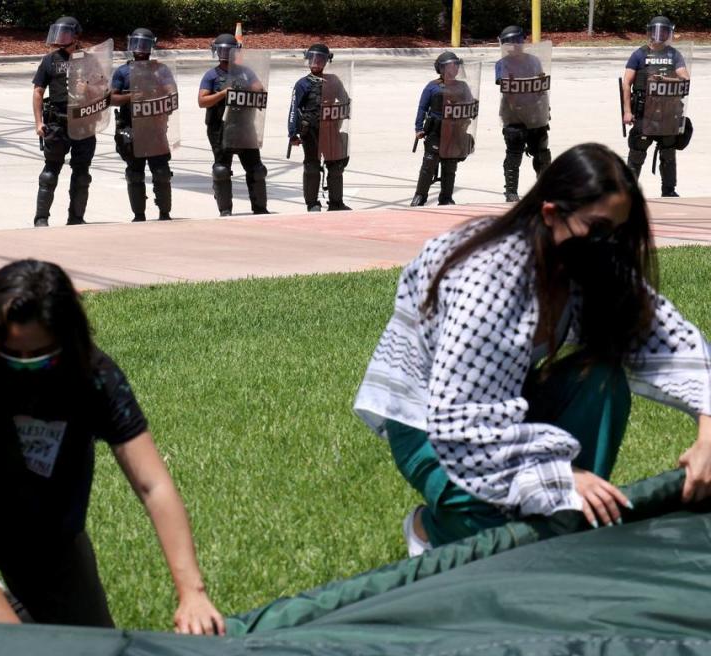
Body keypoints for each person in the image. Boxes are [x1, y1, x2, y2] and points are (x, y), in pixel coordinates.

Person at [354, 143, 711, 556]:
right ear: (550, 214)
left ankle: (568, 523)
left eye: (618, 231)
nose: (608, 243)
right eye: (597, 228)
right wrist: (560, 477)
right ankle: (431, 530)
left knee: (600, 377)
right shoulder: (489, 278)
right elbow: (462, 422)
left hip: (504, 406)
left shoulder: (589, 263)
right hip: (431, 424)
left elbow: (676, 345)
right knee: (501, 534)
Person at [0, 259, 225, 633]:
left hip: (39, 521)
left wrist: (193, 592)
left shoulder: (93, 376)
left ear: (68, 340)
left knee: (91, 647)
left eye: (41, 356)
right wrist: (19, 643)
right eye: (10, 355)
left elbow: (152, 485)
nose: (24, 367)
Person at [32, 17, 105, 226]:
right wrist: (38, 123)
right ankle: (41, 219)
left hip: (83, 122)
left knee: (82, 175)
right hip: (57, 124)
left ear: (75, 36)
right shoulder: (50, 60)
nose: (60, 38)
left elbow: (103, 90)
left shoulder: (89, 60)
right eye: (58, 34)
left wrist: (88, 89)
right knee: (49, 173)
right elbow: (38, 92)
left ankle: (76, 218)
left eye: (65, 34)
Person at [198, 33, 269, 216]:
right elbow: (202, 101)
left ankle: (260, 208)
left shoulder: (245, 71)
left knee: (257, 169)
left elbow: (259, 90)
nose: (224, 54)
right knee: (222, 170)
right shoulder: (211, 75)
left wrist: (245, 86)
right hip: (220, 129)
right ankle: (225, 210)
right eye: (221, 50)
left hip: (245, 126)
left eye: (228, 50)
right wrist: (223, 93)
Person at [622, 15, 691, 197]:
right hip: (644, 113)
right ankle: (629, 193)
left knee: (668, 153)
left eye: (664, 31)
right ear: (649, 32)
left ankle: (669, 191)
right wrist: (627, 112)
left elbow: (685, 79)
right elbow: (626, 83)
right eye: (656, 31)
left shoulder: (673, 55)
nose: (660, 35)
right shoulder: (639, 54)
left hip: (668, 114)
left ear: (669, 33)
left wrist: (664, 79)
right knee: (637, 152)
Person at [111, 28, 174, 222]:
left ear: (151, 46)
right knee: (135, 174)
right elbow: (112, 98)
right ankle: (139, 215)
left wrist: (158, 96)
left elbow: (172, 95)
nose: (139, 49)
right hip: (131, 128)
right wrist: (131, 96)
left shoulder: (160, 70)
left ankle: (164, 213)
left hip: (155, 128)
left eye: (144, 44)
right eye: (136, 44)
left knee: (161, 173)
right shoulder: (122, 71)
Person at [287, 43, 352, 212]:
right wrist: (293, 133)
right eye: (312, 59)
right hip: (311, 132)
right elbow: (294, 109)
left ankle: (336, 202)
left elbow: (345, 101)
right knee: (312, 166)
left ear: (326, 61)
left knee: (336, 165)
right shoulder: (302, 84)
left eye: (320, 59)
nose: (315, 62)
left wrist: (337, 113)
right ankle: (312, 203)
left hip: (330, 130)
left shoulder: (334, 80)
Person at [495, 25, 551, 203]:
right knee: (514, 155)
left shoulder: (534, 61)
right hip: (513, 117)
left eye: (517, 42)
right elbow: (506, 87)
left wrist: (545, 108)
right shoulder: (502, 64)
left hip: (535, 114)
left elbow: (541, 85)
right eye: (509, 43)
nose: (514, 46)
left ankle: (544, 188)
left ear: (522, 42)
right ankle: (511, 192)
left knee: (542, 154)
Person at [411, 52, 475, 206]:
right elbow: (422, 108)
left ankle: (446, 197)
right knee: (429, 164)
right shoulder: (432, 86)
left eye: (456, 65)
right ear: (442, 68)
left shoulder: (462, 86)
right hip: (436, 131)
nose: (455, 68)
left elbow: (471, 106)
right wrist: (418, 127)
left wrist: (467, 120)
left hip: (455, 132)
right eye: (452, 65)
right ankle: (420, 196)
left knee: (450, 166)